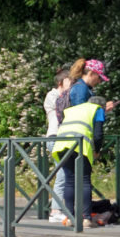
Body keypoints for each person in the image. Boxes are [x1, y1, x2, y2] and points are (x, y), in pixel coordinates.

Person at [52, 95, 110, 228]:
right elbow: (98, 134)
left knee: (69, 180)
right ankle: (86, 219)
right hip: (80, 146)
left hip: (61, 145)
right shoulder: (98, 110)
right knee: (84, 181)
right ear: (102, 106)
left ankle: (71, 218)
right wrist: (97, 150)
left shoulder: (73, 109)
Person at [43, 67, 71, 223]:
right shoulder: (52, 95)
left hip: (65, 137)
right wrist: (67, 91)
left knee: (68, 174)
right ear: (62, 82)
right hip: (55, 137)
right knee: (62, 174)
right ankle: (55, 211)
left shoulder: (67, 95)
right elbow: (62, 108)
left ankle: (63, 208)